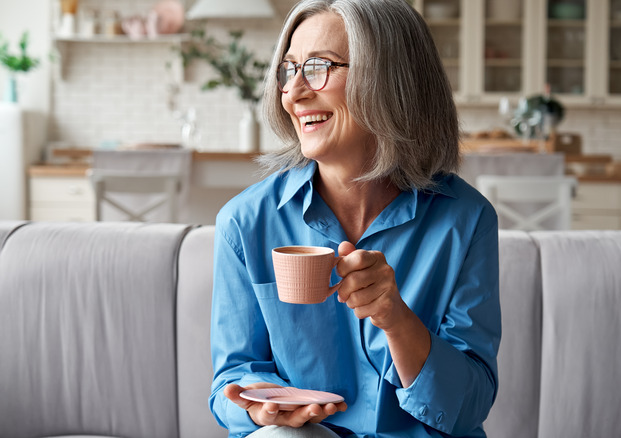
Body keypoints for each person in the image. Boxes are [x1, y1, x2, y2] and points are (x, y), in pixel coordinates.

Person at [209, 0, 501, 436]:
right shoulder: (245, 223)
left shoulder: (466, 220)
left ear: (390, 80)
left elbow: (469, 405)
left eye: (319, 67)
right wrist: (259, 407)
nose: (293, 92)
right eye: (290, 70)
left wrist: (395, 317)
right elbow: (233, 378)